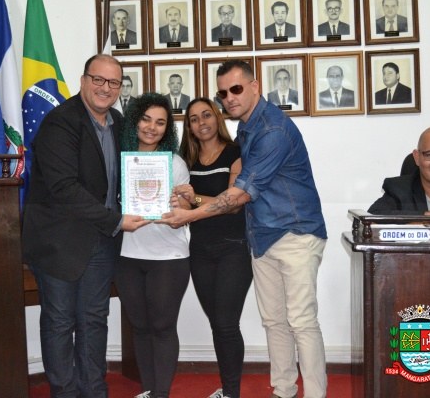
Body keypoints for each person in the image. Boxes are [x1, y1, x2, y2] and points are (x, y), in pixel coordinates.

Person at [160, 59, 328, 398]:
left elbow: (240, 194)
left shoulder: (273, 130)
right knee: (274, 321)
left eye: (236, 89)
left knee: (301, 321)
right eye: (223, 93)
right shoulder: (247, 129)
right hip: (261, 237)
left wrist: (189, 215)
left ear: (255, 87)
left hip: (295, 233)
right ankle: (283, 390)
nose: (230, 98)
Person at [21, 54, 149, 398]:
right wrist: (116, 220)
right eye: (98, 79)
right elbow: (64, 188)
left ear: (120, 88)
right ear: (83, 81)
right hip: (59, 242)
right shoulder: (60, 122)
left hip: (102, 240)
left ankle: (94, 390)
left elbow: (135, 169)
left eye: (114, 82)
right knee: (60, 321)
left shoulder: (119, 122)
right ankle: (64, 392)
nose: (105, 88)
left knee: (94, 319)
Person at [114, 92, 191, 398]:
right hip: (127, 255)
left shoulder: (175, 163)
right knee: (140, 327)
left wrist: (179, 205)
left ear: (167, 129)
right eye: (146, 119)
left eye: (160, 122)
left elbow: (185, 213)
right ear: (134, 121)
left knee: (162, 326)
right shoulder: (120, 160)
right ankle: (149, 391)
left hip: (168, 257)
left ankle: (161, 394)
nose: (152, 127)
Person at [176, 97, 253, 398]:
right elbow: (183, 203)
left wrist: (194, 199)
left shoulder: (235, 153)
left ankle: (231, 392)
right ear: (189, 127)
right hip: (200, 250)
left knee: (226, 323)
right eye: (194, 119)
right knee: (218, 324)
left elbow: (233, 204)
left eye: (206, 115)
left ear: (217, 118)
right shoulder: (185, 159)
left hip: (234, 248)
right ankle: (227, 389)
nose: (201, 123)